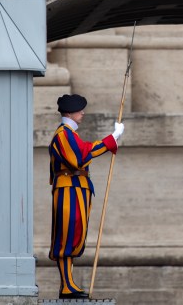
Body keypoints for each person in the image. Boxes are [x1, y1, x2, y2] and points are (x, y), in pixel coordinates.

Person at [48, 94, 125, 299]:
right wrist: (111, 139)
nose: (82, 113)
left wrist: (111, 140)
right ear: (70, 112)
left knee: (74, 235)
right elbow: (81, 157)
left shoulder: (71, 134)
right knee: (67, 236)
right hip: (68, 189)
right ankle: (66, 285)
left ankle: (69, 284)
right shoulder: (63, 135)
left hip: (77, 189)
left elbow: (84, 150)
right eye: (79, 110)